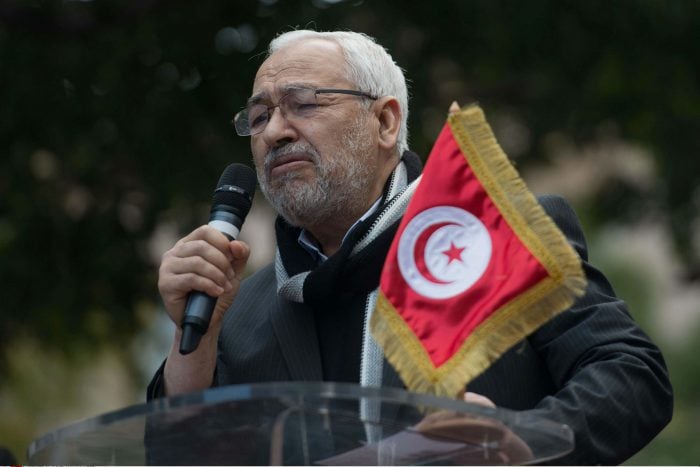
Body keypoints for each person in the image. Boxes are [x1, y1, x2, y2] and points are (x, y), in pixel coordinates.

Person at [148, 30, 673, 464]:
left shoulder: (493, 234)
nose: (275, 132)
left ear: (385, 121)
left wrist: (523, 443)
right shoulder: (239, 310)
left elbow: (632, 377)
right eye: (259, 117)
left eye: (303, 103)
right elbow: (177, 456)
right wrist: (195, 345)